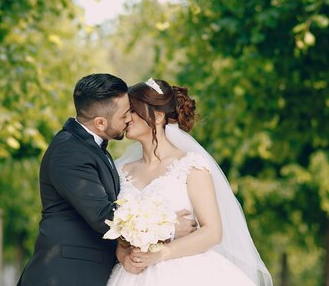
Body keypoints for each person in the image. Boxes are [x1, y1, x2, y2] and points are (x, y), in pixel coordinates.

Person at [16, 73, 196, 286]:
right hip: (65, 275)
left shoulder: (92, 149)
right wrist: (169, 227)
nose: (130, 118)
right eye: (125, 114)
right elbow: (103, 217)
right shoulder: (69, 151)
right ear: (100, 122)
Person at [108, 78, 273, 286]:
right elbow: (117, 232)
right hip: (133, 275)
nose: (126, 118)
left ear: (158, 117)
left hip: (185, 273)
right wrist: (124, 257)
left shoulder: (190, 165)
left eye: (132, 110)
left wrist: (162, 253)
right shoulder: (120, 170)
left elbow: (212, 232)